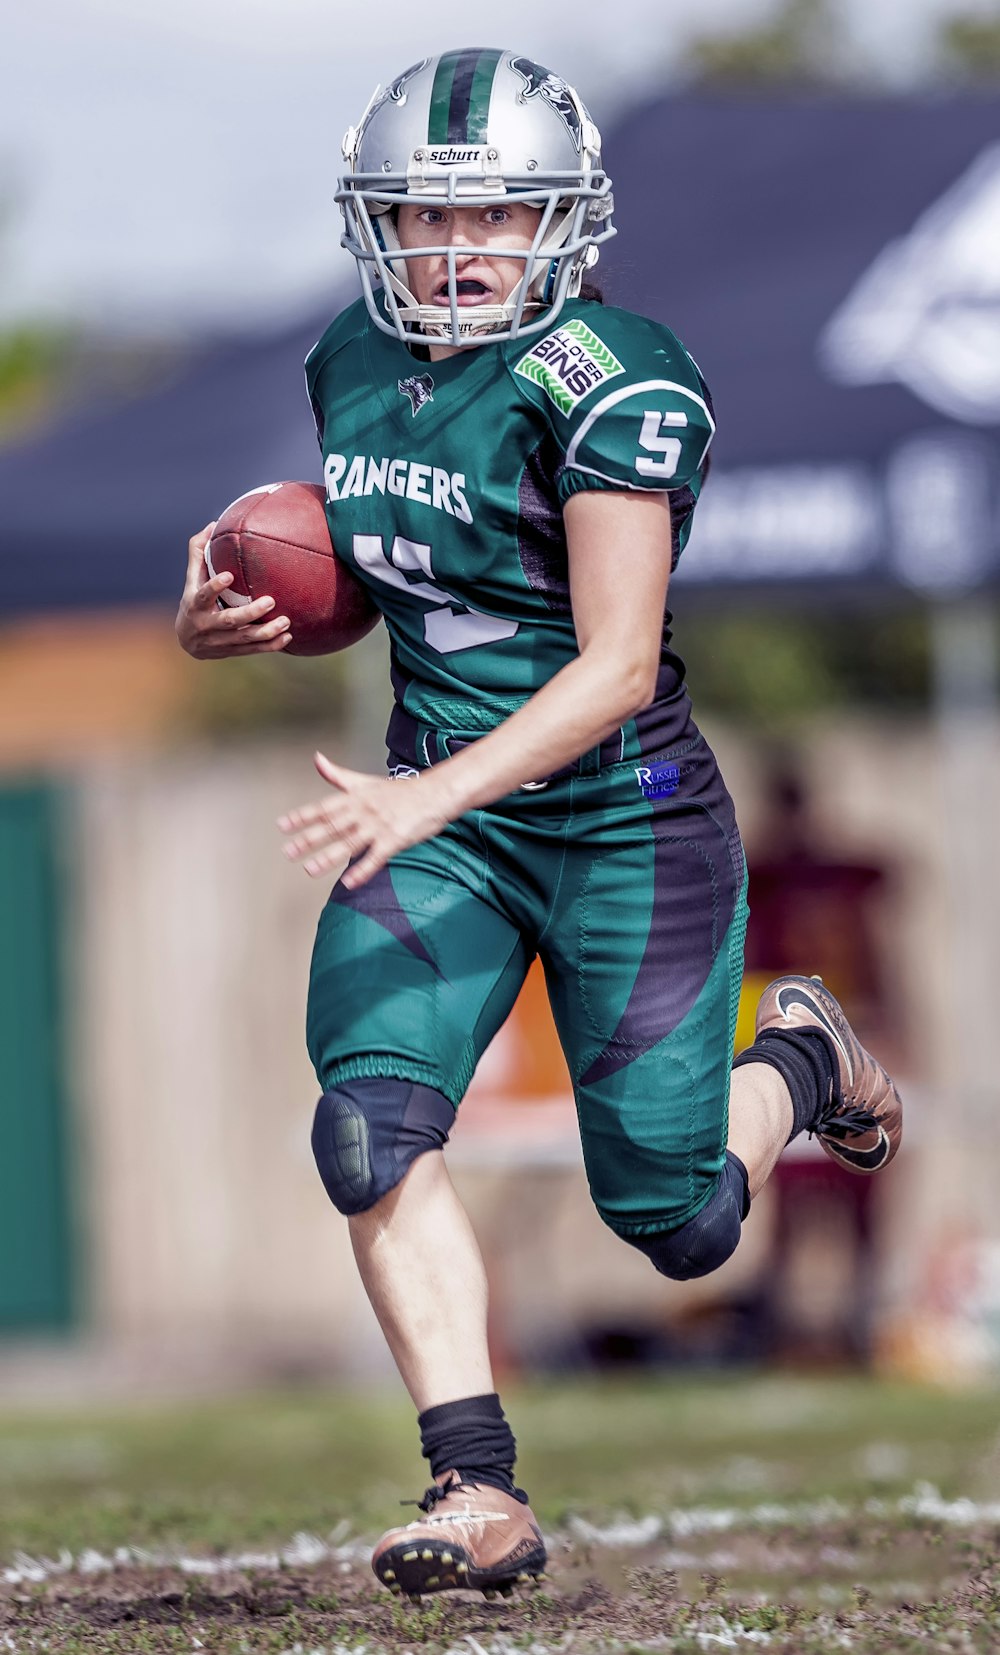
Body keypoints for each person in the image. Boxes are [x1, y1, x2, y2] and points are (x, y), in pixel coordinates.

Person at [175, 49, 902, 1604]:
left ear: (561, 222)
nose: (456, 251)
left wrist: (426, 791)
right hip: (442, 812)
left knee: (685, 1220)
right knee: (369, 1133)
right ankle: (475, 1482)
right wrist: (243, 616)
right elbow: (407, 568)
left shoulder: (618, 377)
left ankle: (807, 1053)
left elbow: (616, 658)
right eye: (424, 219)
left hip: (618, 816)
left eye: (495, 213)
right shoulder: (348, 359)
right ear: (372, 226)